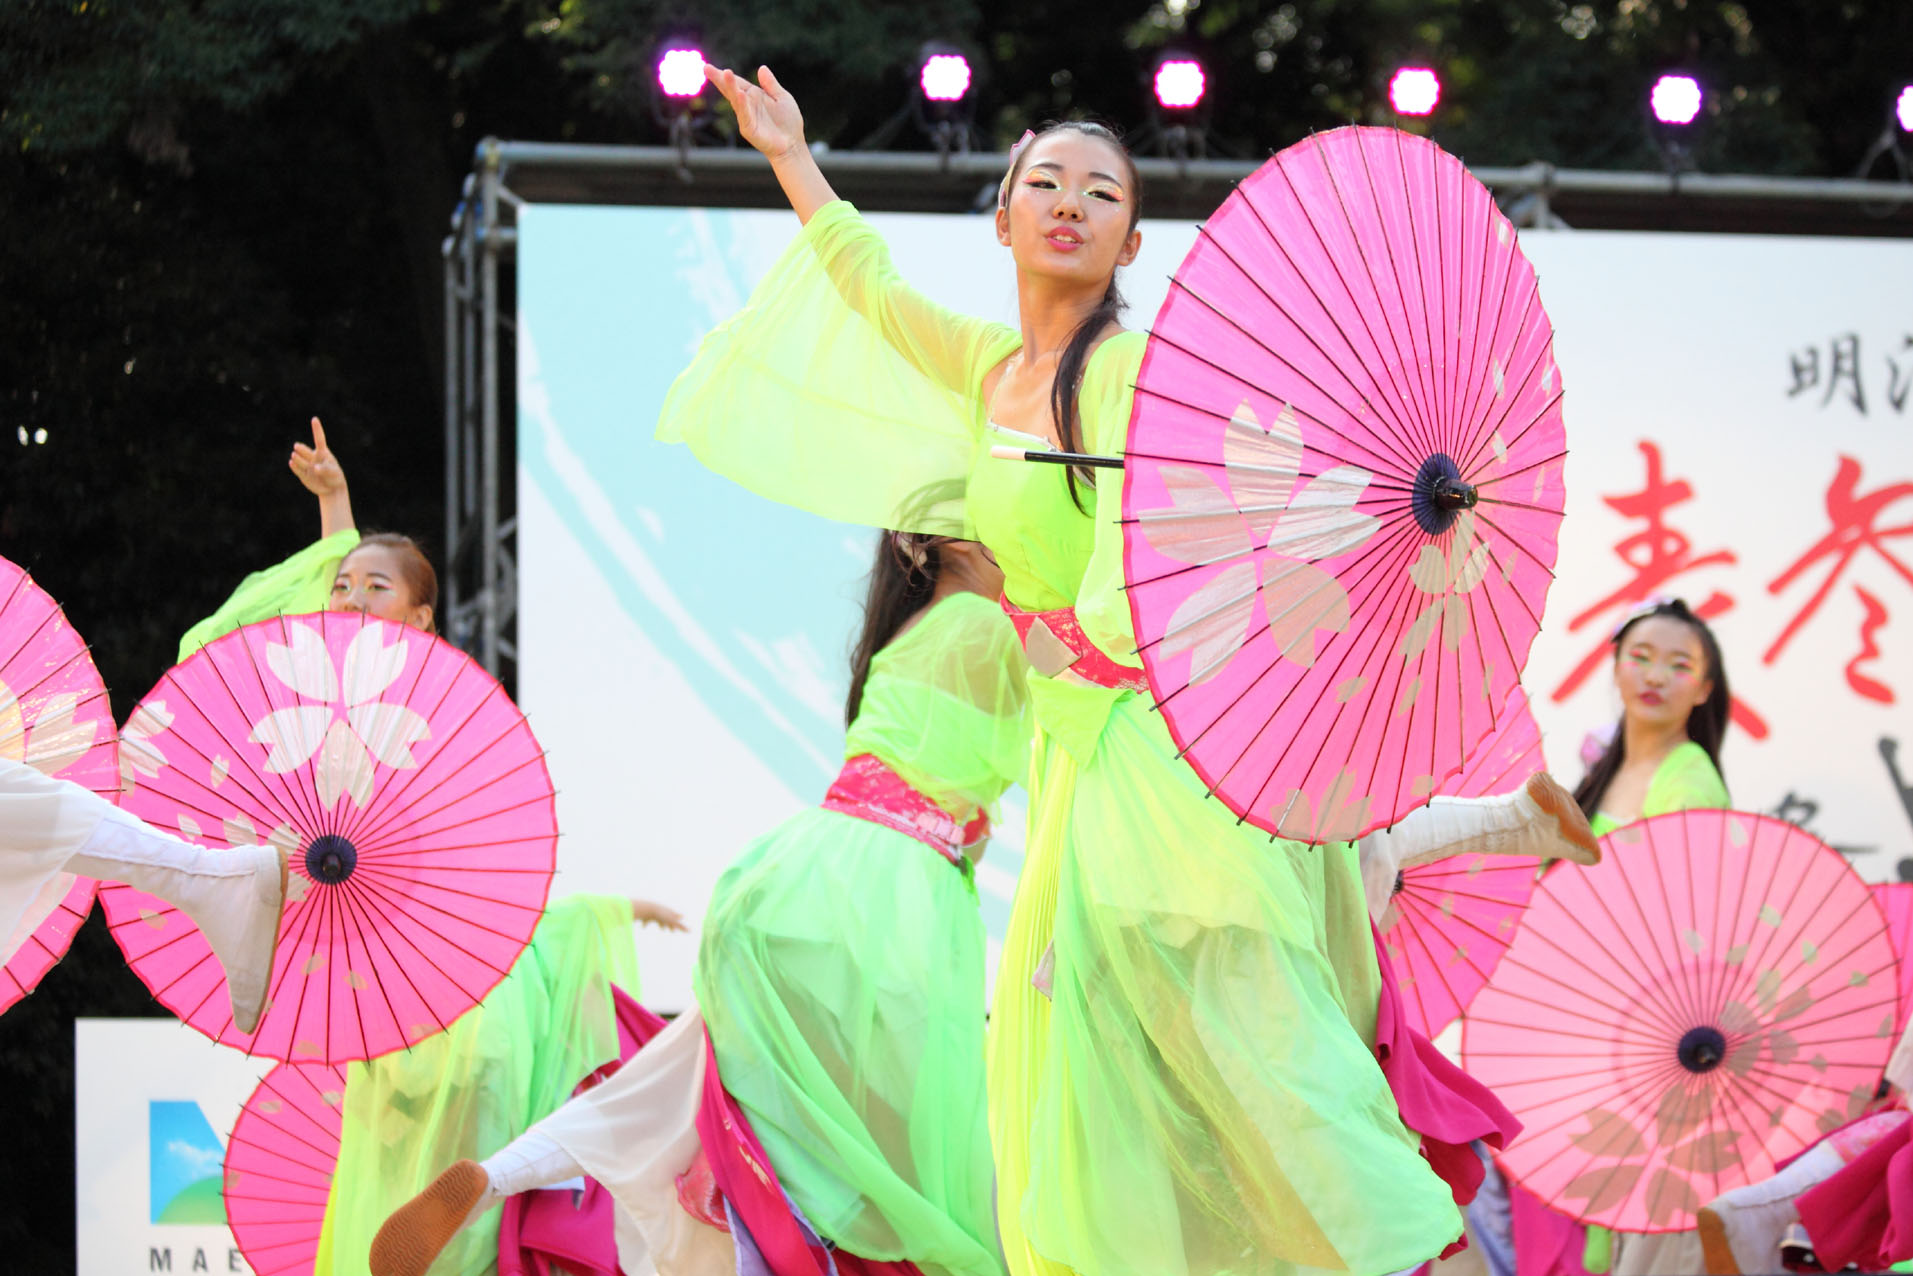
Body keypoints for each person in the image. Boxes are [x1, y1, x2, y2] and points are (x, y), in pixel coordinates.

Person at [633, 64, 1600, 1276]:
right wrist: (789, 155)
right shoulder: (988, 366)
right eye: (1043, 181)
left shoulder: (1138, 373)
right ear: (1001, 214)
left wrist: (1078, 640)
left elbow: (1194, 541)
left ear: (1131, 238)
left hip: (1155, 749)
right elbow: (869, 288)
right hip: (1076, 762)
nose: (1068, 203)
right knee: (1116, 1088)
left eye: (1100, 192)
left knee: (1267, 1063)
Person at [369, 529, 1032, 1276]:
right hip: (889, 895)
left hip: (791, 878)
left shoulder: (900, 633)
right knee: (879, 1158)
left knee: (685, 1089)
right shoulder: (981, 622)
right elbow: (1024, 747)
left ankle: (500, 1174)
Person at [1479, 598, 1732, 1276]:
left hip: (1639, 1033)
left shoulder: (1689, 778)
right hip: (1574, 1029)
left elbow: (1686, 920)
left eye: (1678, 665)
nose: (1654, 675)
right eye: (1640, 656)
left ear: (1703, 688)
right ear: (1616, 666)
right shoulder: (1603, 772)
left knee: (1617, 1227)